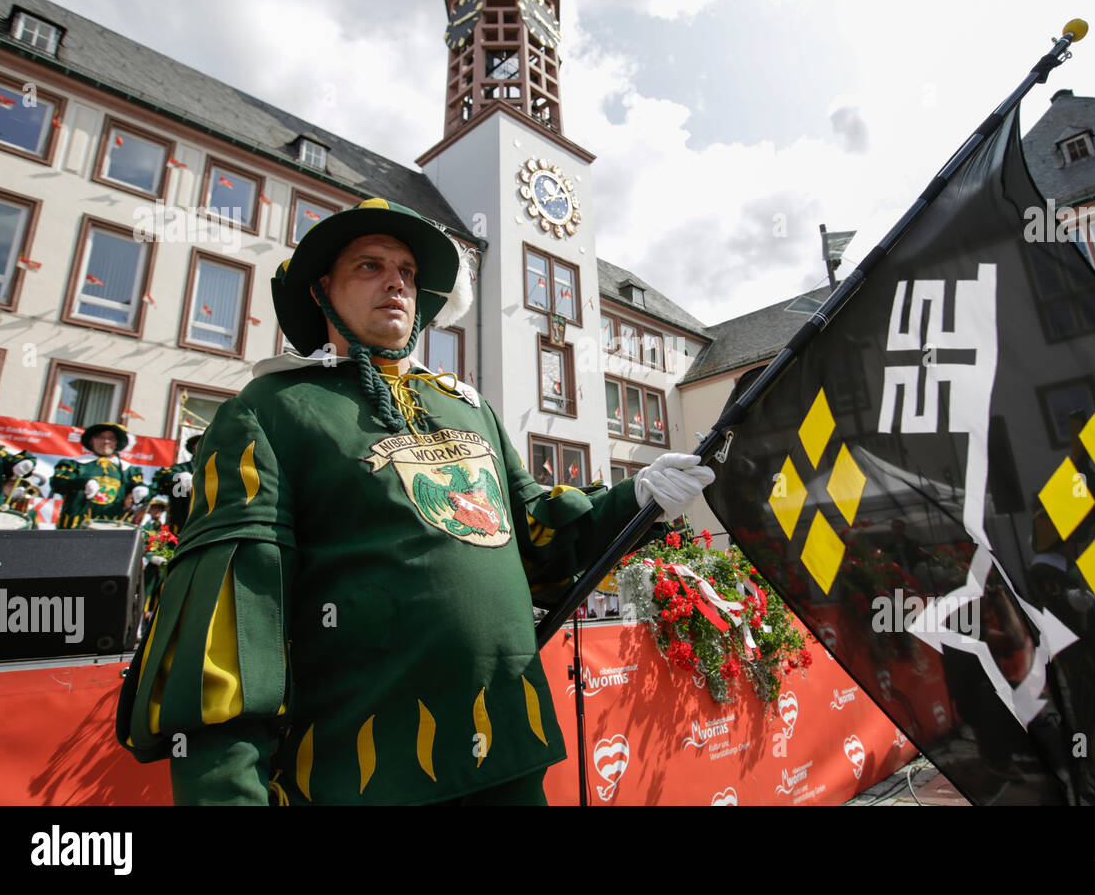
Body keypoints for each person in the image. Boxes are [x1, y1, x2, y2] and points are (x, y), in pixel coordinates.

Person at [116, 197, 713, 805]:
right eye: (369, 267)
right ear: (322, 292)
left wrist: (636, 499)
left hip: (509, 747)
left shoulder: (471, 407)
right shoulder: (269, 410)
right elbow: (233, 620)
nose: (395, 282)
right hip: (363, 773)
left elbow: (535, 539)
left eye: (406, 270)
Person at [50, 422, 147, 528]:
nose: (106, 442)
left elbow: (142, 497)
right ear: (92, 441)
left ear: (116, 443)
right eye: (101, 437)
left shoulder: (128, 470)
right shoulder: (75, 464)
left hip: (112, 530)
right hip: (76, 528)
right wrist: (83, 482)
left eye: (111, 438)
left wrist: (143, 491)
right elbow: (57, 483)